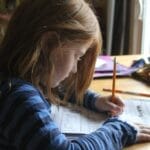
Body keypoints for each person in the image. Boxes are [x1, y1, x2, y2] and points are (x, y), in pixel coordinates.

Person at [0, 0, 150, 149]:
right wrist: (119, 131)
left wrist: (94, 100)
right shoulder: (19, 98)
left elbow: (56, 89)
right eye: (77, 56)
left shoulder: (18, 75)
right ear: (48, 43)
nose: (75, 69)